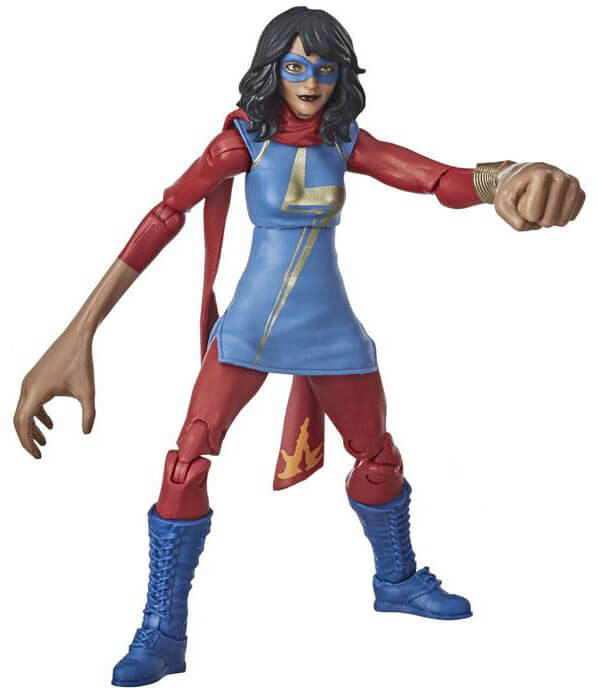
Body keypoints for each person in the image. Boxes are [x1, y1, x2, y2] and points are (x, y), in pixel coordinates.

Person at [14, 6, 585, 687]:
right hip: (249, 332)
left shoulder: (346, 143)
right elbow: (165, 216)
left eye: (323, 68)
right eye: (294, 67)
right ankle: (162, 630)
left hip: (330, 330)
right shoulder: (241, 145)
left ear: (341, 76)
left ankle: (397, 580)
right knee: (185, 466)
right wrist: (78, 332)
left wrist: (510, 176)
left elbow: (437, 178)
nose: (310, 82)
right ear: (271, 72)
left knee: (377, 456)